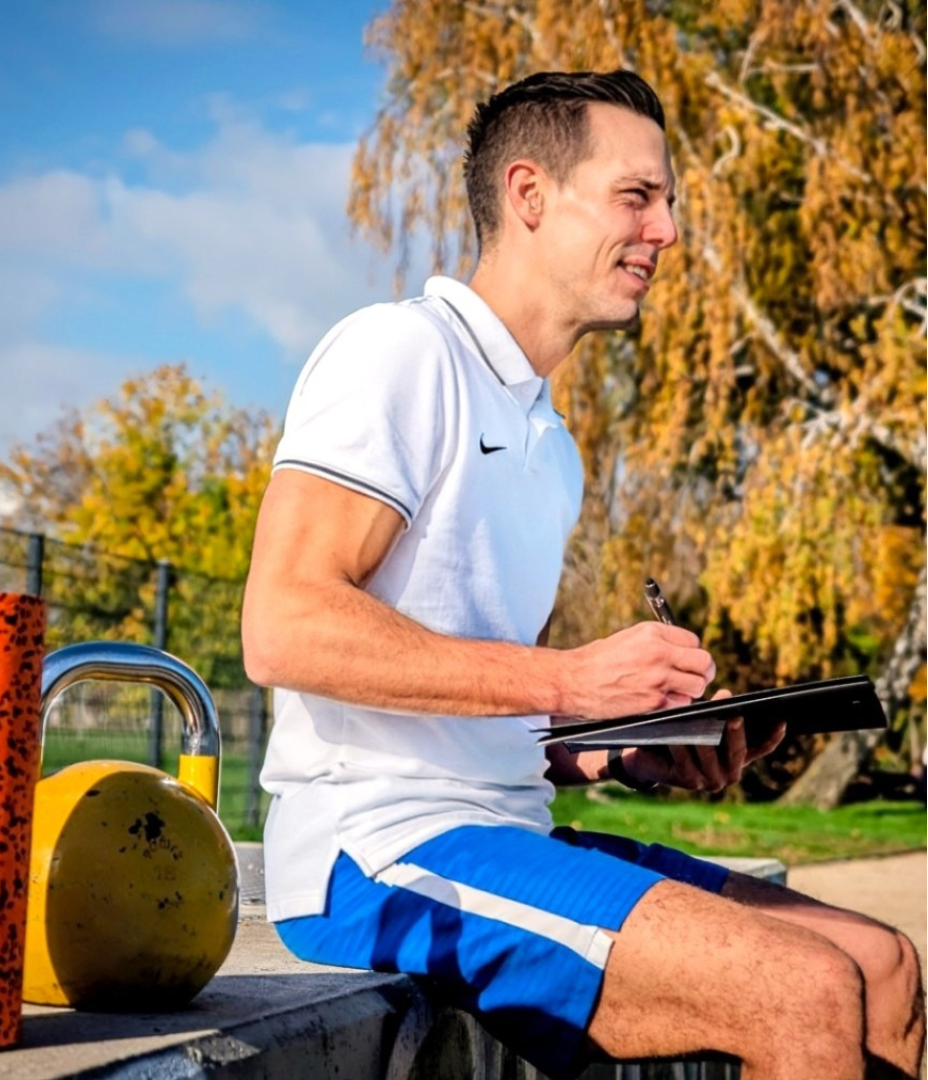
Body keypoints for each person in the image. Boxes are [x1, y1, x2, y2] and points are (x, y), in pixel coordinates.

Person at [241, 70, 924, 1080]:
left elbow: (473, 701)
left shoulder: (551, 445)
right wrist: (571, 679)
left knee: (883, 966)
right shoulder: (400, 352)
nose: (668, 232)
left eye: (668, 202)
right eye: (637, 197)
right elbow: (283, 626)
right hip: (372, 852)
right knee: (803, 987)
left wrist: (616, 751)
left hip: (504, 830)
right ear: (529, 194)